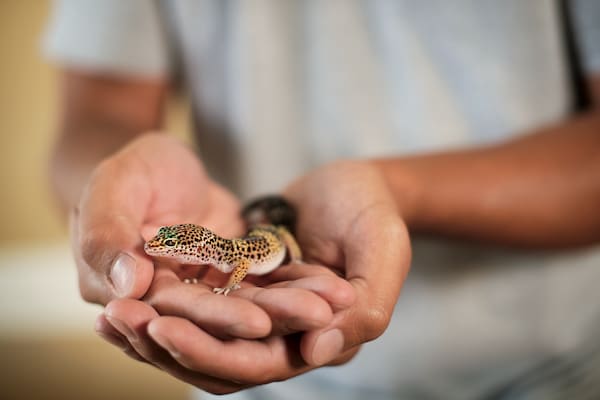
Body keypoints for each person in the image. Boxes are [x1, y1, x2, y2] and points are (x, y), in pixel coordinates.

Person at [44, 0, 600, 398]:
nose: (160, 242)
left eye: (168, 240)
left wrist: (393, 191)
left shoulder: (226, 258)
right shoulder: (215, 254)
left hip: (553, 368)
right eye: (166, 240)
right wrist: (111, 200)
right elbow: (99, 114)